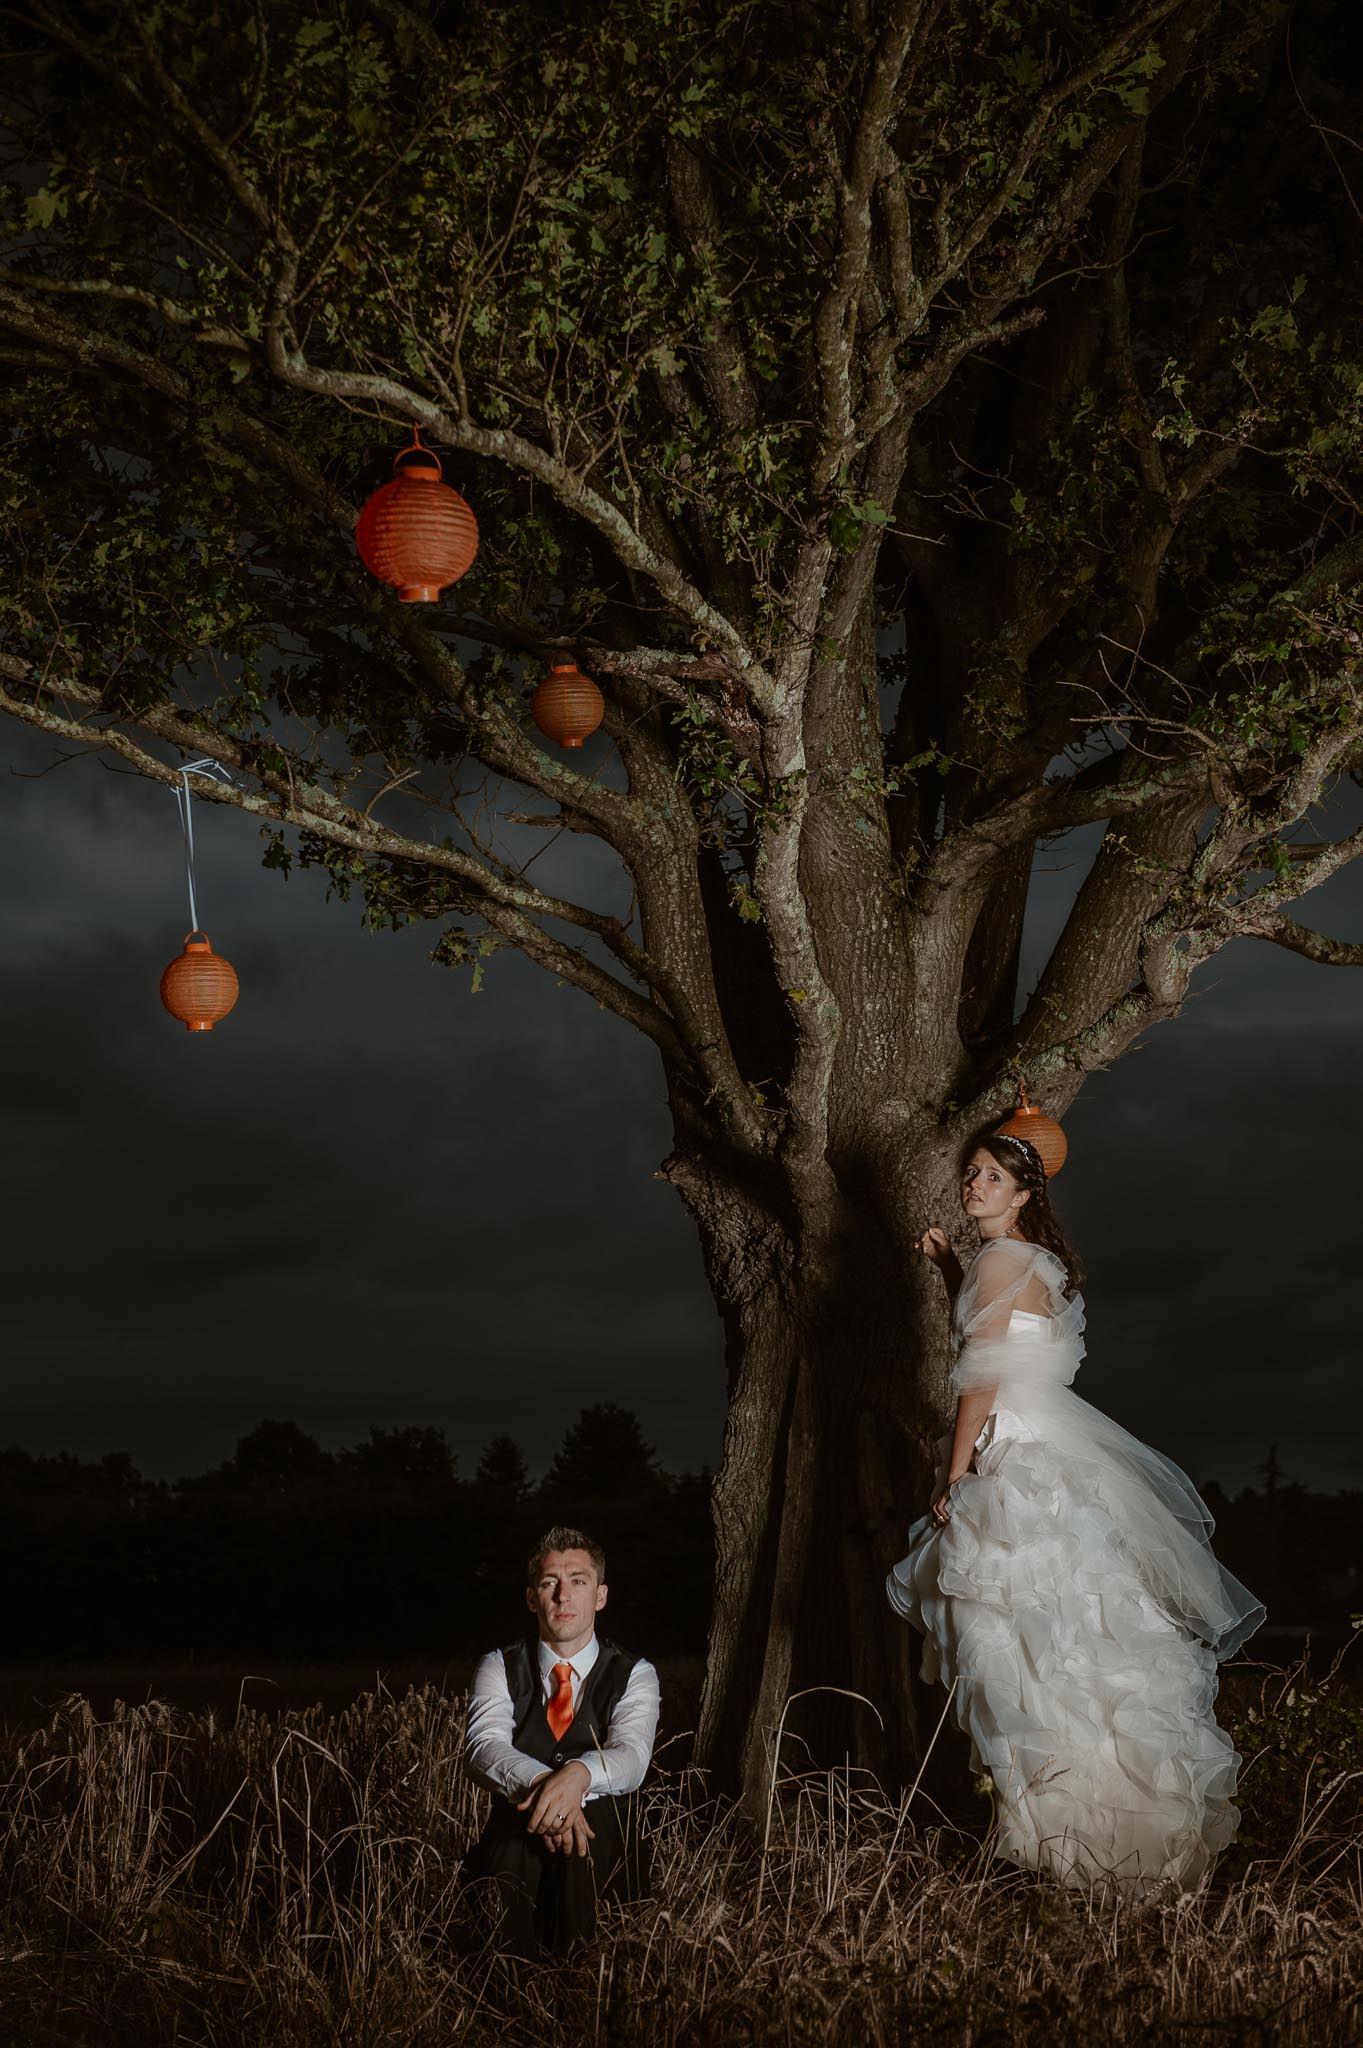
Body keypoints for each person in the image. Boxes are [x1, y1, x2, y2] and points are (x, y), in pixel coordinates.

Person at [887, 1128, 1264, 1900]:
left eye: (991, 1177)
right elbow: (1000, 1323)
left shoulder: (1001, 1260)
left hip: (1012, 1458)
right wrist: (948, 1265)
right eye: (972, 1174)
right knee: (1070, 1643)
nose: (974, 1185)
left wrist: (953, 1476)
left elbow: (982, 1375)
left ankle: (1057, 1839)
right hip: (1049, 1453)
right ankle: (1094, 1844)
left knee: (1015, 1645)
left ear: (1023, 1193)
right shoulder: (1036, 1262)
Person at [462, 1524, 660, 1952]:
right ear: (531, 1597)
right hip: (515, 1848)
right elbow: (483, 1747)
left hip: (603, 1852)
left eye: (578, 1581)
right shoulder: (498, 1665)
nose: (562, 1595)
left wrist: (579, 1775)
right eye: (549, 1582)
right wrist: (544, 1787)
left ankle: (585, 1983)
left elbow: (633, 1756)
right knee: (515, 1838)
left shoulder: (635, 1673)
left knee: (588, 1836)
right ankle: (505, 1987)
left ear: (600, 1596)